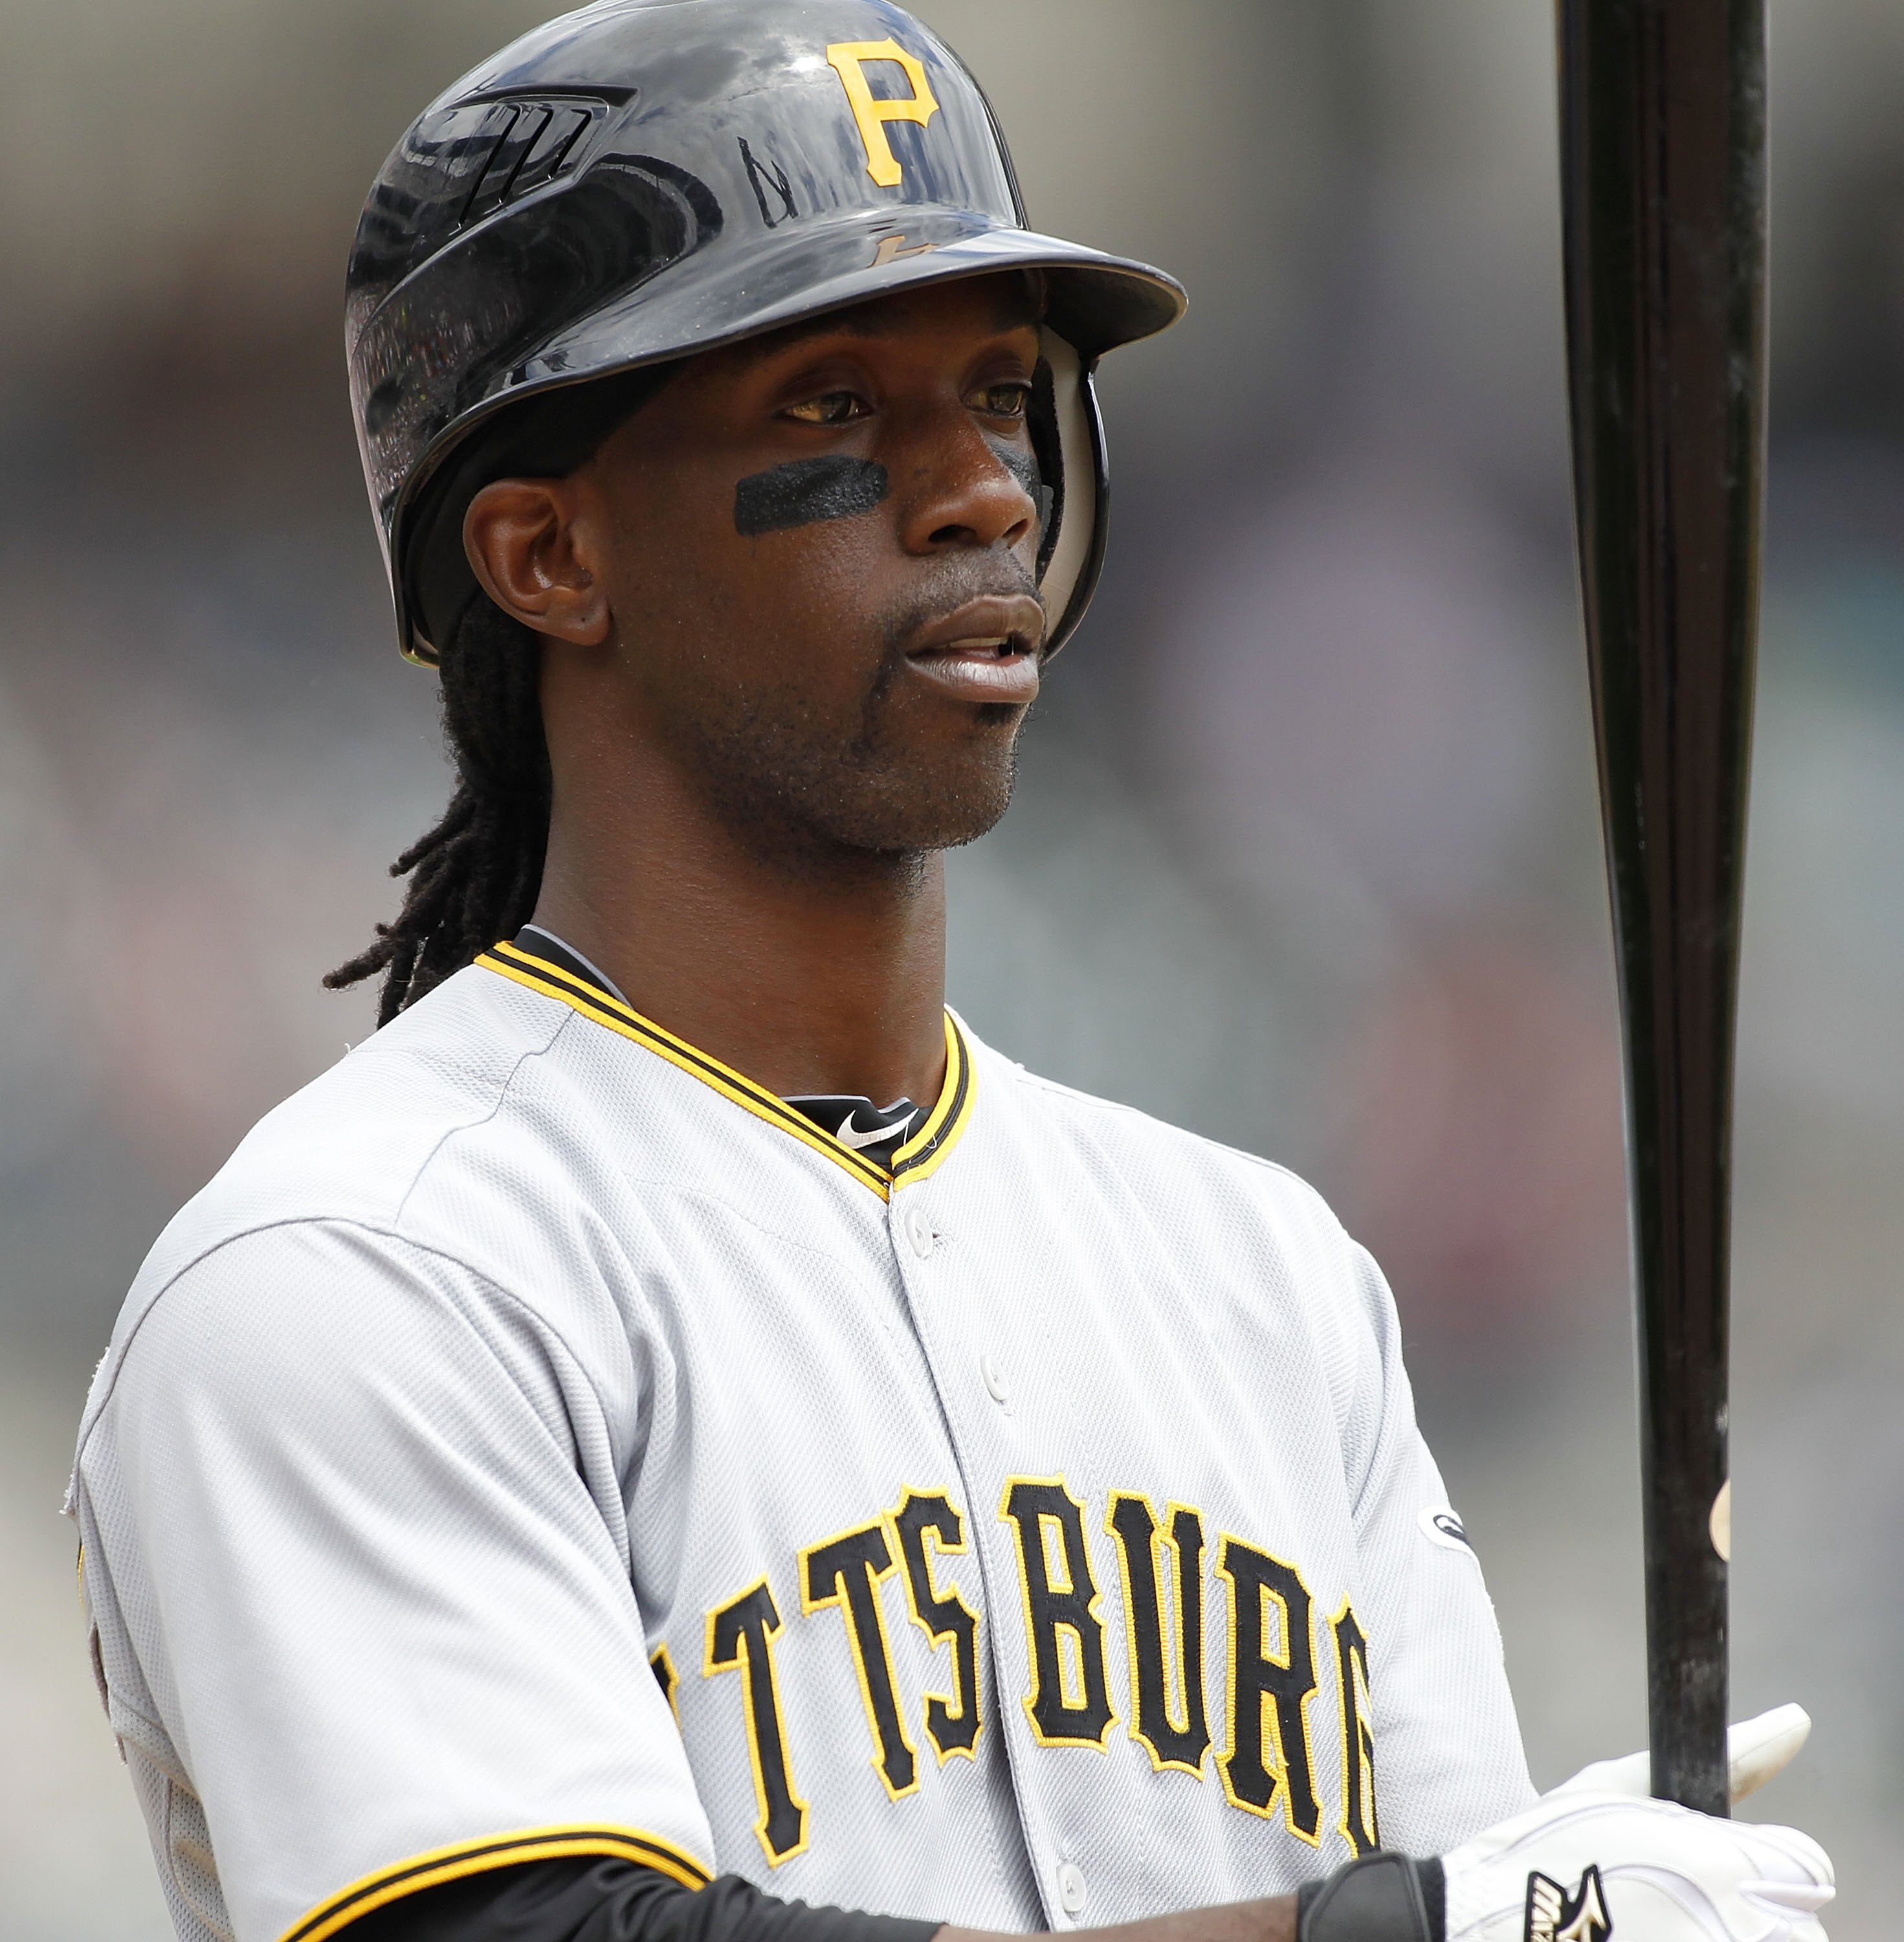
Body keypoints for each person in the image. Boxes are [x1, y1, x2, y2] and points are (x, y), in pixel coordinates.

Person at [67, 6, 1834, 1942]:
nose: (979, 486)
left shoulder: (1267, 1283)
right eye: (832, 406)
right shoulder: (363, 1273)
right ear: (545, 552)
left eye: (1000, 392)